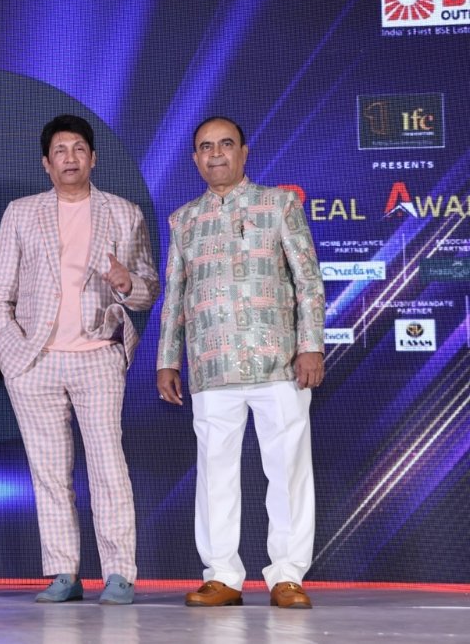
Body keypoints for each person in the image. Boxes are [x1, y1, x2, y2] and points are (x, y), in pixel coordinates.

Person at [0, 115, 159, 605]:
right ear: (46, 163)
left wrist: (127, 282)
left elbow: (147, 291)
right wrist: (12, 352)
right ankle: (63, 571)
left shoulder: (124, 213)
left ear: (93, 158)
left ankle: (119, 573)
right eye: (60, 150)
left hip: (98, 355)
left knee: (108, 466)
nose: (70, 158)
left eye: (79, 149)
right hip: (35, 360)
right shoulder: (21, 213)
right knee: (49, 472)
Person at [156, 116, 324, 609]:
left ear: (244, 152)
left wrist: (311, 345)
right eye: (206, 147)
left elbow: (308, 281)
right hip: (211, 364)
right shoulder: (184, 220)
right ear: (195, 158)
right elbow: (175, 295)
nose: (216, 154)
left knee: (288, 469)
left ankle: (287, 576)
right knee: (215, 473)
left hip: (280, 361)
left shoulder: (279, 204)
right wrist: (168, 360)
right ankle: (222, 576)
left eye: (225, 144)